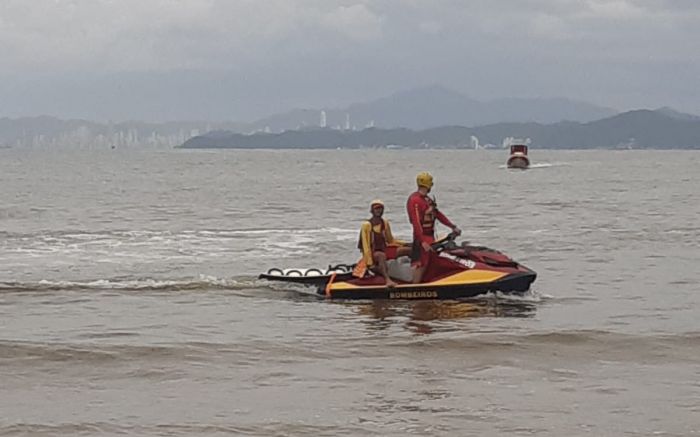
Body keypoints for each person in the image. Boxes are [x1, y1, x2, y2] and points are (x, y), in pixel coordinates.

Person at [406, 172, 461, 283]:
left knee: (432, 260)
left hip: (430, 237)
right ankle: (415, 288)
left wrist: (452, 226)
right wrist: (422, 241)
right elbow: (416, 223)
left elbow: (438, 214)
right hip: (421, 237)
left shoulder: (427, 200)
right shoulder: (414, 200)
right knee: (421, 263)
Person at [357, 199, 412, 287]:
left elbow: (390, 241)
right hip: (373, 253)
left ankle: (414, 272)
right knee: (381, 256)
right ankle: (388, 280)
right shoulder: (367, 225)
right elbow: (365, 246)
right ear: (372, 211)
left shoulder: (385, 223)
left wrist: (405, 244)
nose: (379, 211)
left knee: (408, 250)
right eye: (376, 209)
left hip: (384, 249)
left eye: (380, 208)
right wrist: (369, 263)